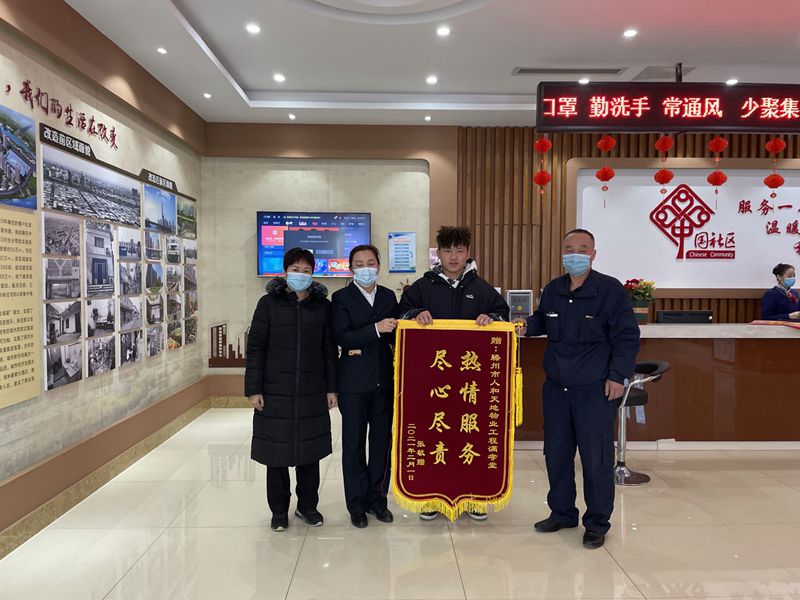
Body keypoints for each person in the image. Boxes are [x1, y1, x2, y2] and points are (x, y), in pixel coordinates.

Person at [517, 229, 640, 549]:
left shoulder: (610, 290)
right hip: (557, 389)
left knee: (596, 458)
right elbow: (542, 320)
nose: (575, 254)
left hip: (595, 390)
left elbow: (627, 338)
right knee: (556, 454)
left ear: (593, 254)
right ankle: (562, 513)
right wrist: (524, 326)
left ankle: (597, 522)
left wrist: (618, 376)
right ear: (562, 253)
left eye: (583, 249)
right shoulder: (554, 289)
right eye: (569, 248)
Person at [399, 225, 510, 521]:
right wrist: (416, 314)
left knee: (469, 436)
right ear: (439, 253)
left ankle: (474, 497)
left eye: (459, 250)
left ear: (468, 253)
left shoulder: (481, 288)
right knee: (435, 435)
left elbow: (503, 315)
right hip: (433, 381)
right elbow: (402, 314)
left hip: (470, 383)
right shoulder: (423, 287)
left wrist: (491, 318)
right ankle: (431, 496)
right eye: (447, 250)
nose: (453, 256)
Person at [245, 247, 339, 532]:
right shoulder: (268, 304)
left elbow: (329, 350)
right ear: (285, 272)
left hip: (312, 389)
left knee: (309, 453)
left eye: (306, 270)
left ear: (313, 273)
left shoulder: (322, 306)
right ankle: (279, 512)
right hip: (275, 390)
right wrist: (254, 389)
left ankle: (307, 506)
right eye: (295, 270)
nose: (301, 274)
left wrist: (331, 388)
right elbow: (256, 348)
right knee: (277, 454)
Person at [331, 244, 399, 528]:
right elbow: (343, 337)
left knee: (382, 444)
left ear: (379, 266)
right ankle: (356, 505)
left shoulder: (388, 296)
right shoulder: (341, 298)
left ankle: (378, 500)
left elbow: (398, 335)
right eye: (359, 264)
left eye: (370, 263)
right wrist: (375, 329)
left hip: (384, 382)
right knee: (354, 446)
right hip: (353, 384)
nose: (366, 268)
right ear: (351, 269)